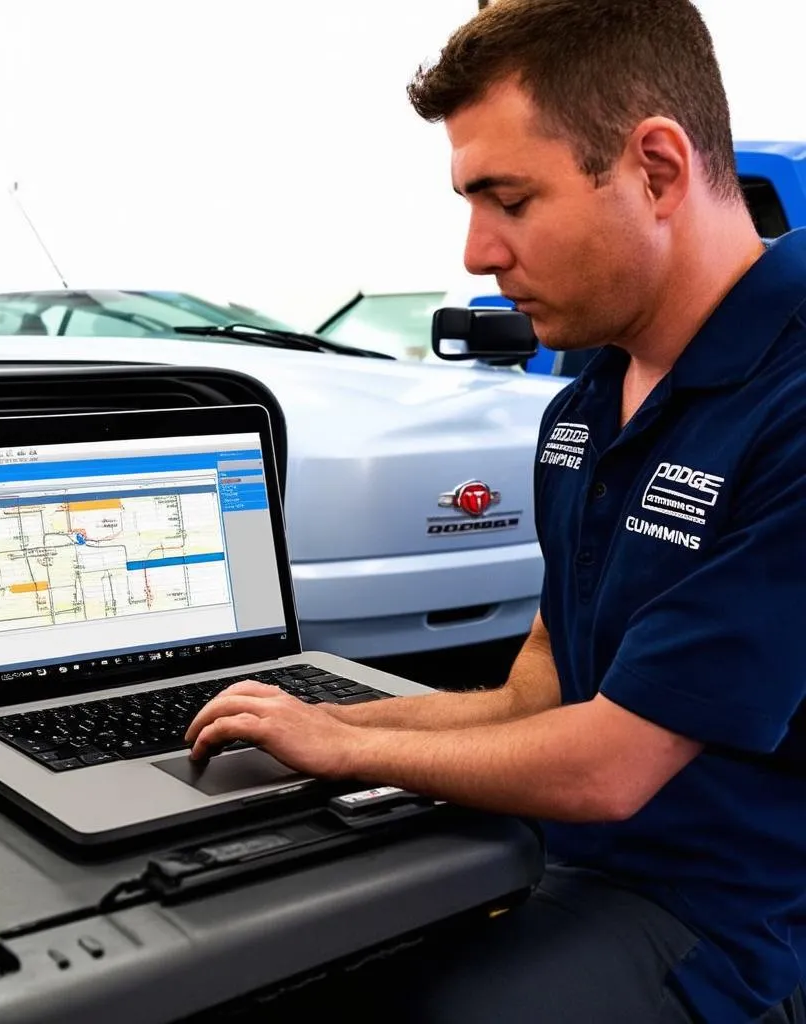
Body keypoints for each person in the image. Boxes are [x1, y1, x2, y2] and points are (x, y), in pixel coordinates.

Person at [186, 1, 806, 1020]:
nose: (476, 252)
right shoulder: (583, 408)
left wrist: (348, 747)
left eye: (507, 199)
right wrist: (309, 727)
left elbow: (609, 764)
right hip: (550, 860)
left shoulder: (786, 405)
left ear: (655, 168)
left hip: (731, 933)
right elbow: (538, 693)